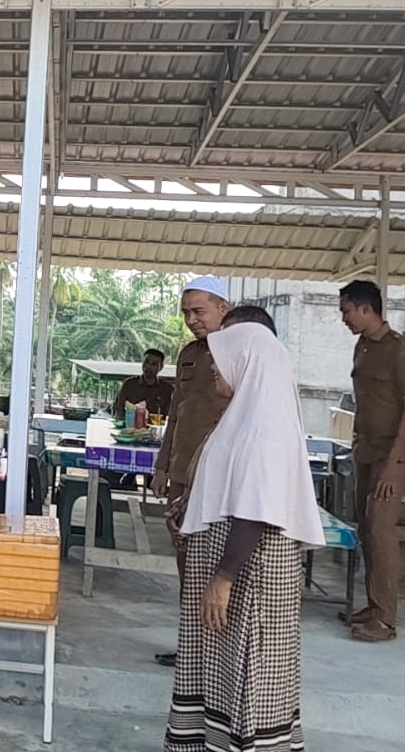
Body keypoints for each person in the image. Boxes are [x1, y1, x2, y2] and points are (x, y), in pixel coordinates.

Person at [165, 321, 321, 752]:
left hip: (247, 576)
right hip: (229, 567)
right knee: (220, 669)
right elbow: (226, 486)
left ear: (248, 363)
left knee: (249, 674)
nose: (214, 366)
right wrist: (187, 514)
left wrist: (224, 577)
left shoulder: (265, 427)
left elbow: (257, 505)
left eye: (223, 357)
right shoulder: (242, 418)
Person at [150, 276, 233, 668]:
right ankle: (191, 647)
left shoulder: (237, 352)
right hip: (183, 475)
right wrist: (163, 465)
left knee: (219, 565)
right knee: (186, 562)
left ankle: (217, 650)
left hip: (219, 478)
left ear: (223, 308)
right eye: (186, 312)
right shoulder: (187, 354)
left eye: (199, 311)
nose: (192, 319)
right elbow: (177, 414)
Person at [338, 279, 405, 643]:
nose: (343, 318)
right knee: (366, 528)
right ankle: (373, 605)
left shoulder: (401, 350)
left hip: (393, 453)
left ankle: (386, 619)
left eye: (345, 311)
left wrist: (394, 462)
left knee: (381, 529)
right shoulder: (362, 347)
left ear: (365, 309)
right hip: (366, 449)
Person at [113, 348, 174, 417]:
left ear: (161, 367)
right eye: (146, 362)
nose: (149, 367)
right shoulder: (129, 384)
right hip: (130, 426)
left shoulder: (167, 389)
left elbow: (170, 416)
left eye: (154, 364)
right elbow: (118, 410)